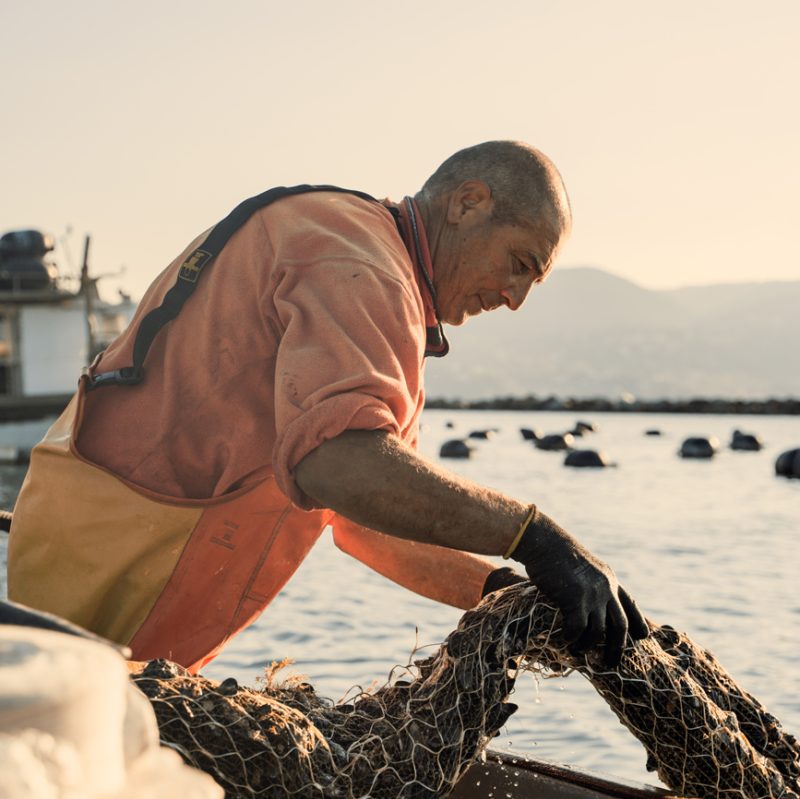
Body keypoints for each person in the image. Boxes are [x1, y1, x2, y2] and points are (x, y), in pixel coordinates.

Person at [7, 141, 648, 674]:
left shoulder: (361, 253)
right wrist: (535, 537)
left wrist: (502, 596)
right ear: (468, 203)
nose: (514, 299)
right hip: (95, 601)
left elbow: (367, 522)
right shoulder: (360, 264)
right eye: (519, 264)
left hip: (102, 594)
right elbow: (336, 466)